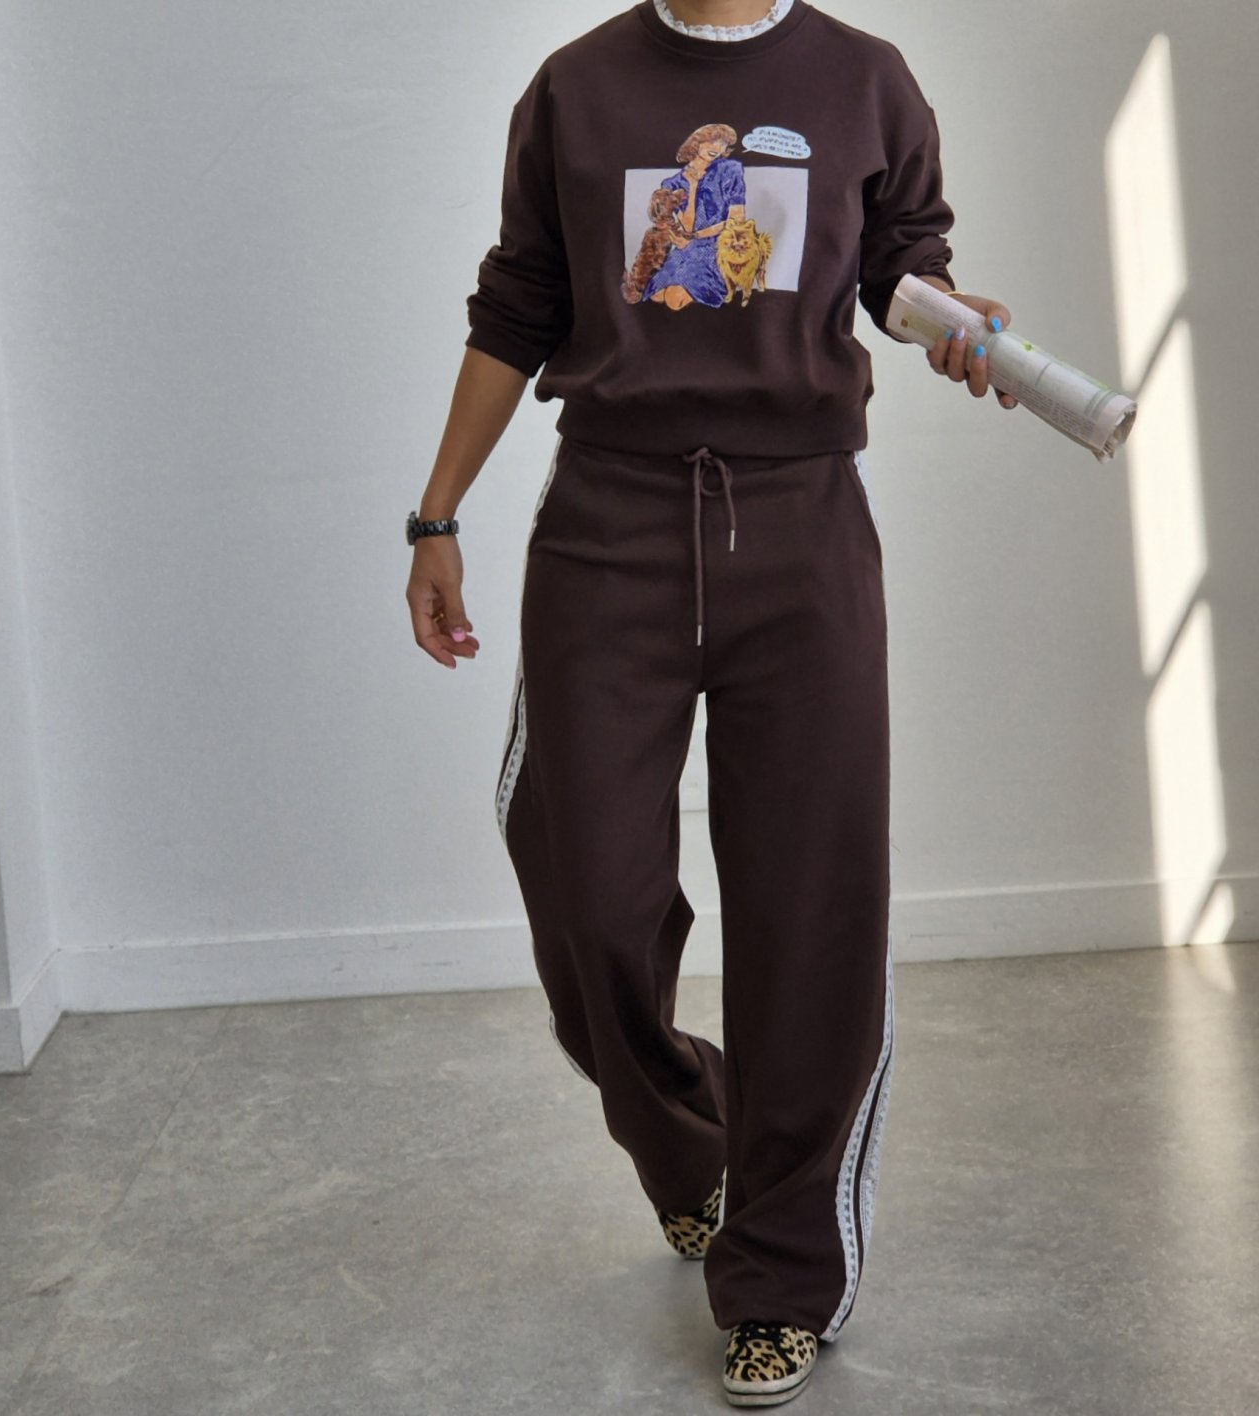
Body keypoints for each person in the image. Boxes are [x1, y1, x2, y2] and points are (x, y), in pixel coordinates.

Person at [405, 0, 1017, 1405]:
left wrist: (951, 317)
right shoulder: (574, 88)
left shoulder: (866, 81)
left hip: (799, 525)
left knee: (810, 906)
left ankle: (783, 1274)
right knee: (588, 889)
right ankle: (695, 1147)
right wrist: (435, 517)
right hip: (606, 524)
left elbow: (900, 272)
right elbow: (517, 309)